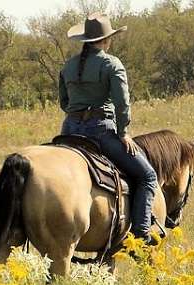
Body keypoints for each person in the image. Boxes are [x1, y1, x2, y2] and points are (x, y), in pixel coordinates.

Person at [59, 13, 158, 244]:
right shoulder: (111, 64)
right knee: (148, 176)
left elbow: (64, 103)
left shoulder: (69, 66)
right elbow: (122, 104)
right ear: (107, 39)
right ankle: (141, 233)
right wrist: (123, 133)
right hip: (100, 131)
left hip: (68, 132)